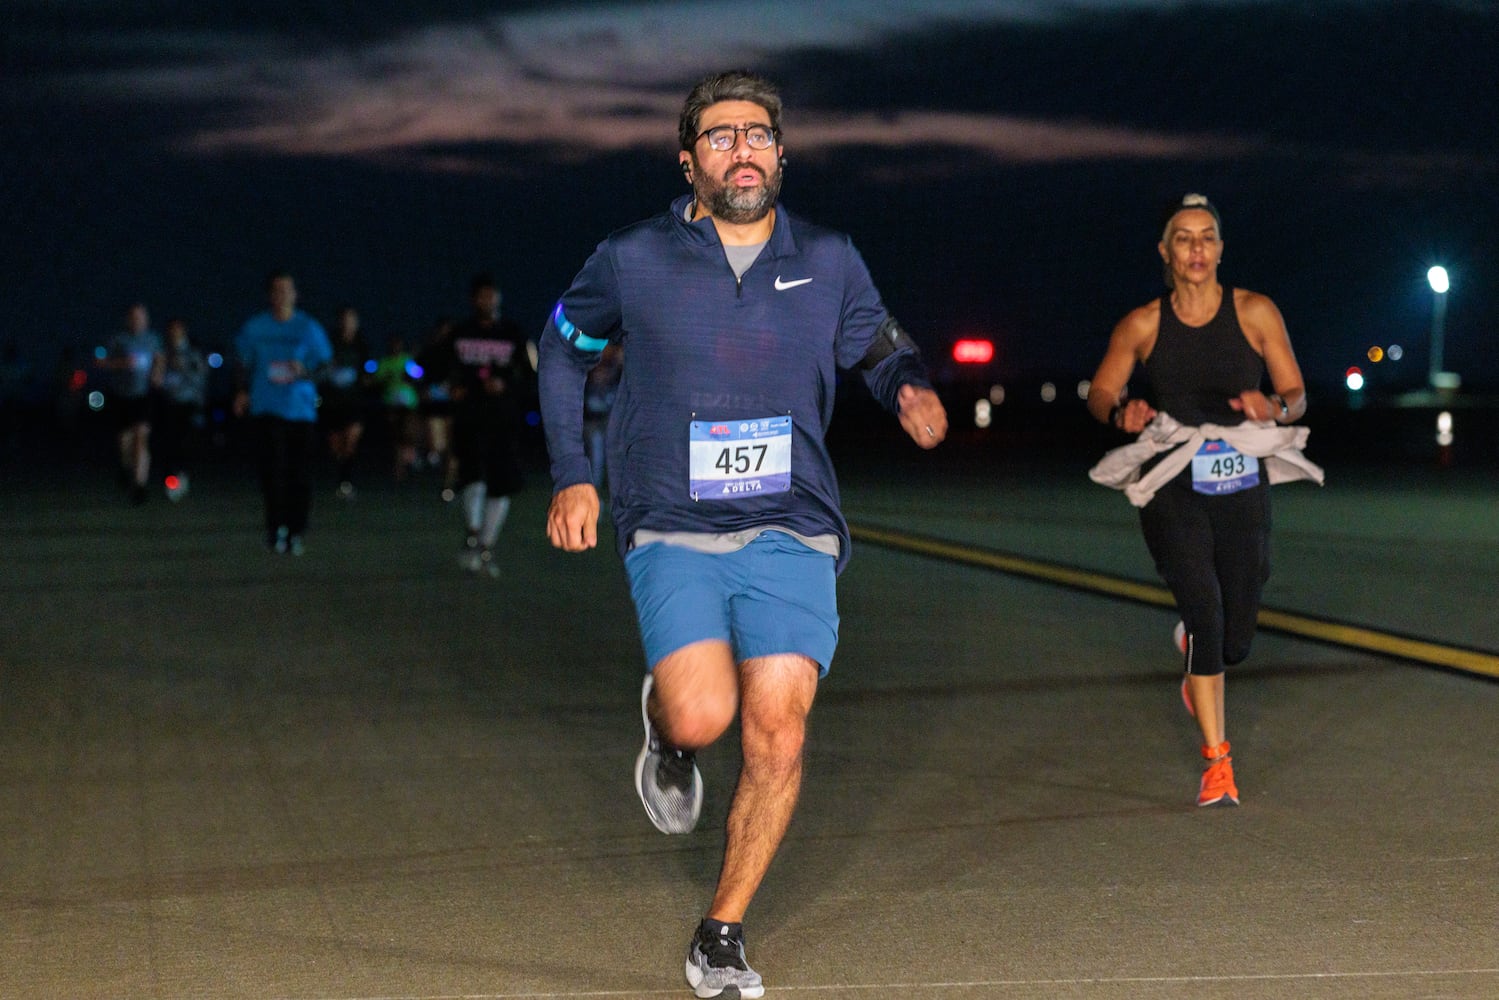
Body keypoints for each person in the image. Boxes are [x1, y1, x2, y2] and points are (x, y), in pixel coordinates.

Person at [539, 70, 948, 999]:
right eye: (719, 137)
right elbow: (563, 344)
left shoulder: (830, 257)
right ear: (689, 162)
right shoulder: (630, 257)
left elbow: (878, 343)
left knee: (778, 735)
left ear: (781, 154)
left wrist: (911, 387)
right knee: (705, 714)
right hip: (670, 521)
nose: (742, 149)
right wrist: (572, 472)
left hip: (792, 524)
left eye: (757, 134)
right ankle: (666, 727)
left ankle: (721, 931)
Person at [1086, 193, 1323, 808]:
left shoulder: (1254, 312)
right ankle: (1218, 763)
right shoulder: (1142, 323)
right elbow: (1101, 391)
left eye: (1208, 237)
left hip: (1242, 477)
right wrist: (1122, 410)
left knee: (1235, 636)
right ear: (1165, 252)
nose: (1197, 249)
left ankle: (1200, 654)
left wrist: (1275, 406)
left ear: (1220, 248)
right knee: (1207, 613)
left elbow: (1296, 393)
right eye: (1184, 238)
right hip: (1172, 481)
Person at [432, 274, 530, 577]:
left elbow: (527, 374)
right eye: (482, 296)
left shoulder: (511, 333)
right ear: (474, 299)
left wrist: (505, 385)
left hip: (502, 420)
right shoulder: (460, 333)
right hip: (470, 418)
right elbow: (433, 365)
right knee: (472, 475)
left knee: (501, 484)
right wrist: (452, 386)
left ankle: (485, 547)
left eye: (492, 295)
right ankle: (473, 534)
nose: (488, 301)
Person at [234, 270, 333, 555]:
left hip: (300, 410)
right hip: (267, 408)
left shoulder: (308, 327)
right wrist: (240, 391)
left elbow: (326, 366)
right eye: (276, 290)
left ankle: (296, 530)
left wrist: (307, 372)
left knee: (300, 474)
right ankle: (275, 528)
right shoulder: (256, 327)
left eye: (287, 290)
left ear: (295, 295)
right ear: (269, 295)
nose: (282, 295)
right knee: (272, 471)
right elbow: (242, 361)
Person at [96, 303, 164, 503]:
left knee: (141, 438)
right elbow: (101, 363)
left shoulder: (152, 339)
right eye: (134, 317)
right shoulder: (118, 340)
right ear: (128, 319)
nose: (137, 321)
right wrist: (122, 364)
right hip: (121, 395)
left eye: (141, 317)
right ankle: (126, 469)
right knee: (125, 442)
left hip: (143, 396)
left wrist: (158, 374)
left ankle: (140, 485)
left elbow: (159, 358)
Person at [155, 317, 209, 501]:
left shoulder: (193, 352)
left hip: (188, 404)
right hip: (168, 403)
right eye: (171, 329)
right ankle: (171, 481)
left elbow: (200, 378)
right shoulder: (163, 353)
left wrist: (184, 369)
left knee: (185, 443)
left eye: (178, 329)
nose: (174, 333)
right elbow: (157, 379)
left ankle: (182, 476)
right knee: (169, 443)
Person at [321, 306, 370, 500]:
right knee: (336, 446)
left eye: (352, 319)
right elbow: (322, 367)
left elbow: (367, 370)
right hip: (333, 402)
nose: (348, 323)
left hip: (354, 401)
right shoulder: (329, 342)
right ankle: (341, 475)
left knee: (351, 439)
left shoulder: (361, 344)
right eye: (344, 319)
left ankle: (346, 481)